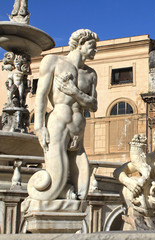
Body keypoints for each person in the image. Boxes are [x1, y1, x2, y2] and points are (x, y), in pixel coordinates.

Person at [27, 29, 99, 201]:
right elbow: (42, 95)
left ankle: (73, 197)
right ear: (80, 44)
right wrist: (39, 127)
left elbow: (94, 105)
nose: (95, 50)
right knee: (58, 165)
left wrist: (75, 92)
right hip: (59, 119)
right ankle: (51, 194)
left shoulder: (91, 74)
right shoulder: (53, 61)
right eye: (92, 45)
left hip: (79, 126)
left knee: (82, 175)